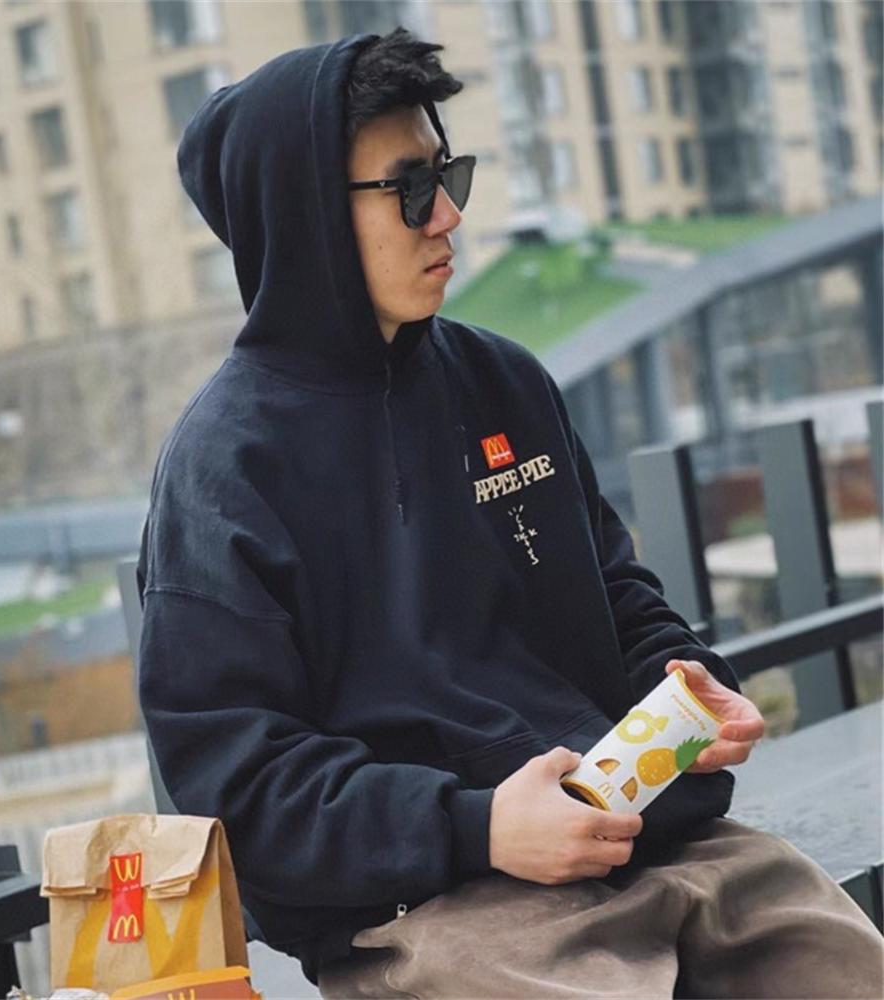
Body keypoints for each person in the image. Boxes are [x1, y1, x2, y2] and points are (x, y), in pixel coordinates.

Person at [136, 27, 884, 999]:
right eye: (409, 190)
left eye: (449, 175)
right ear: (305, 213)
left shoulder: (502, 381)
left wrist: (691, 687)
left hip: (655, 840)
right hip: (433, 909)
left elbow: (615, 595)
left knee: (847, 967)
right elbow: (239, 789)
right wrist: (478, 825)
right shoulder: (223, 470)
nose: (447, 215)